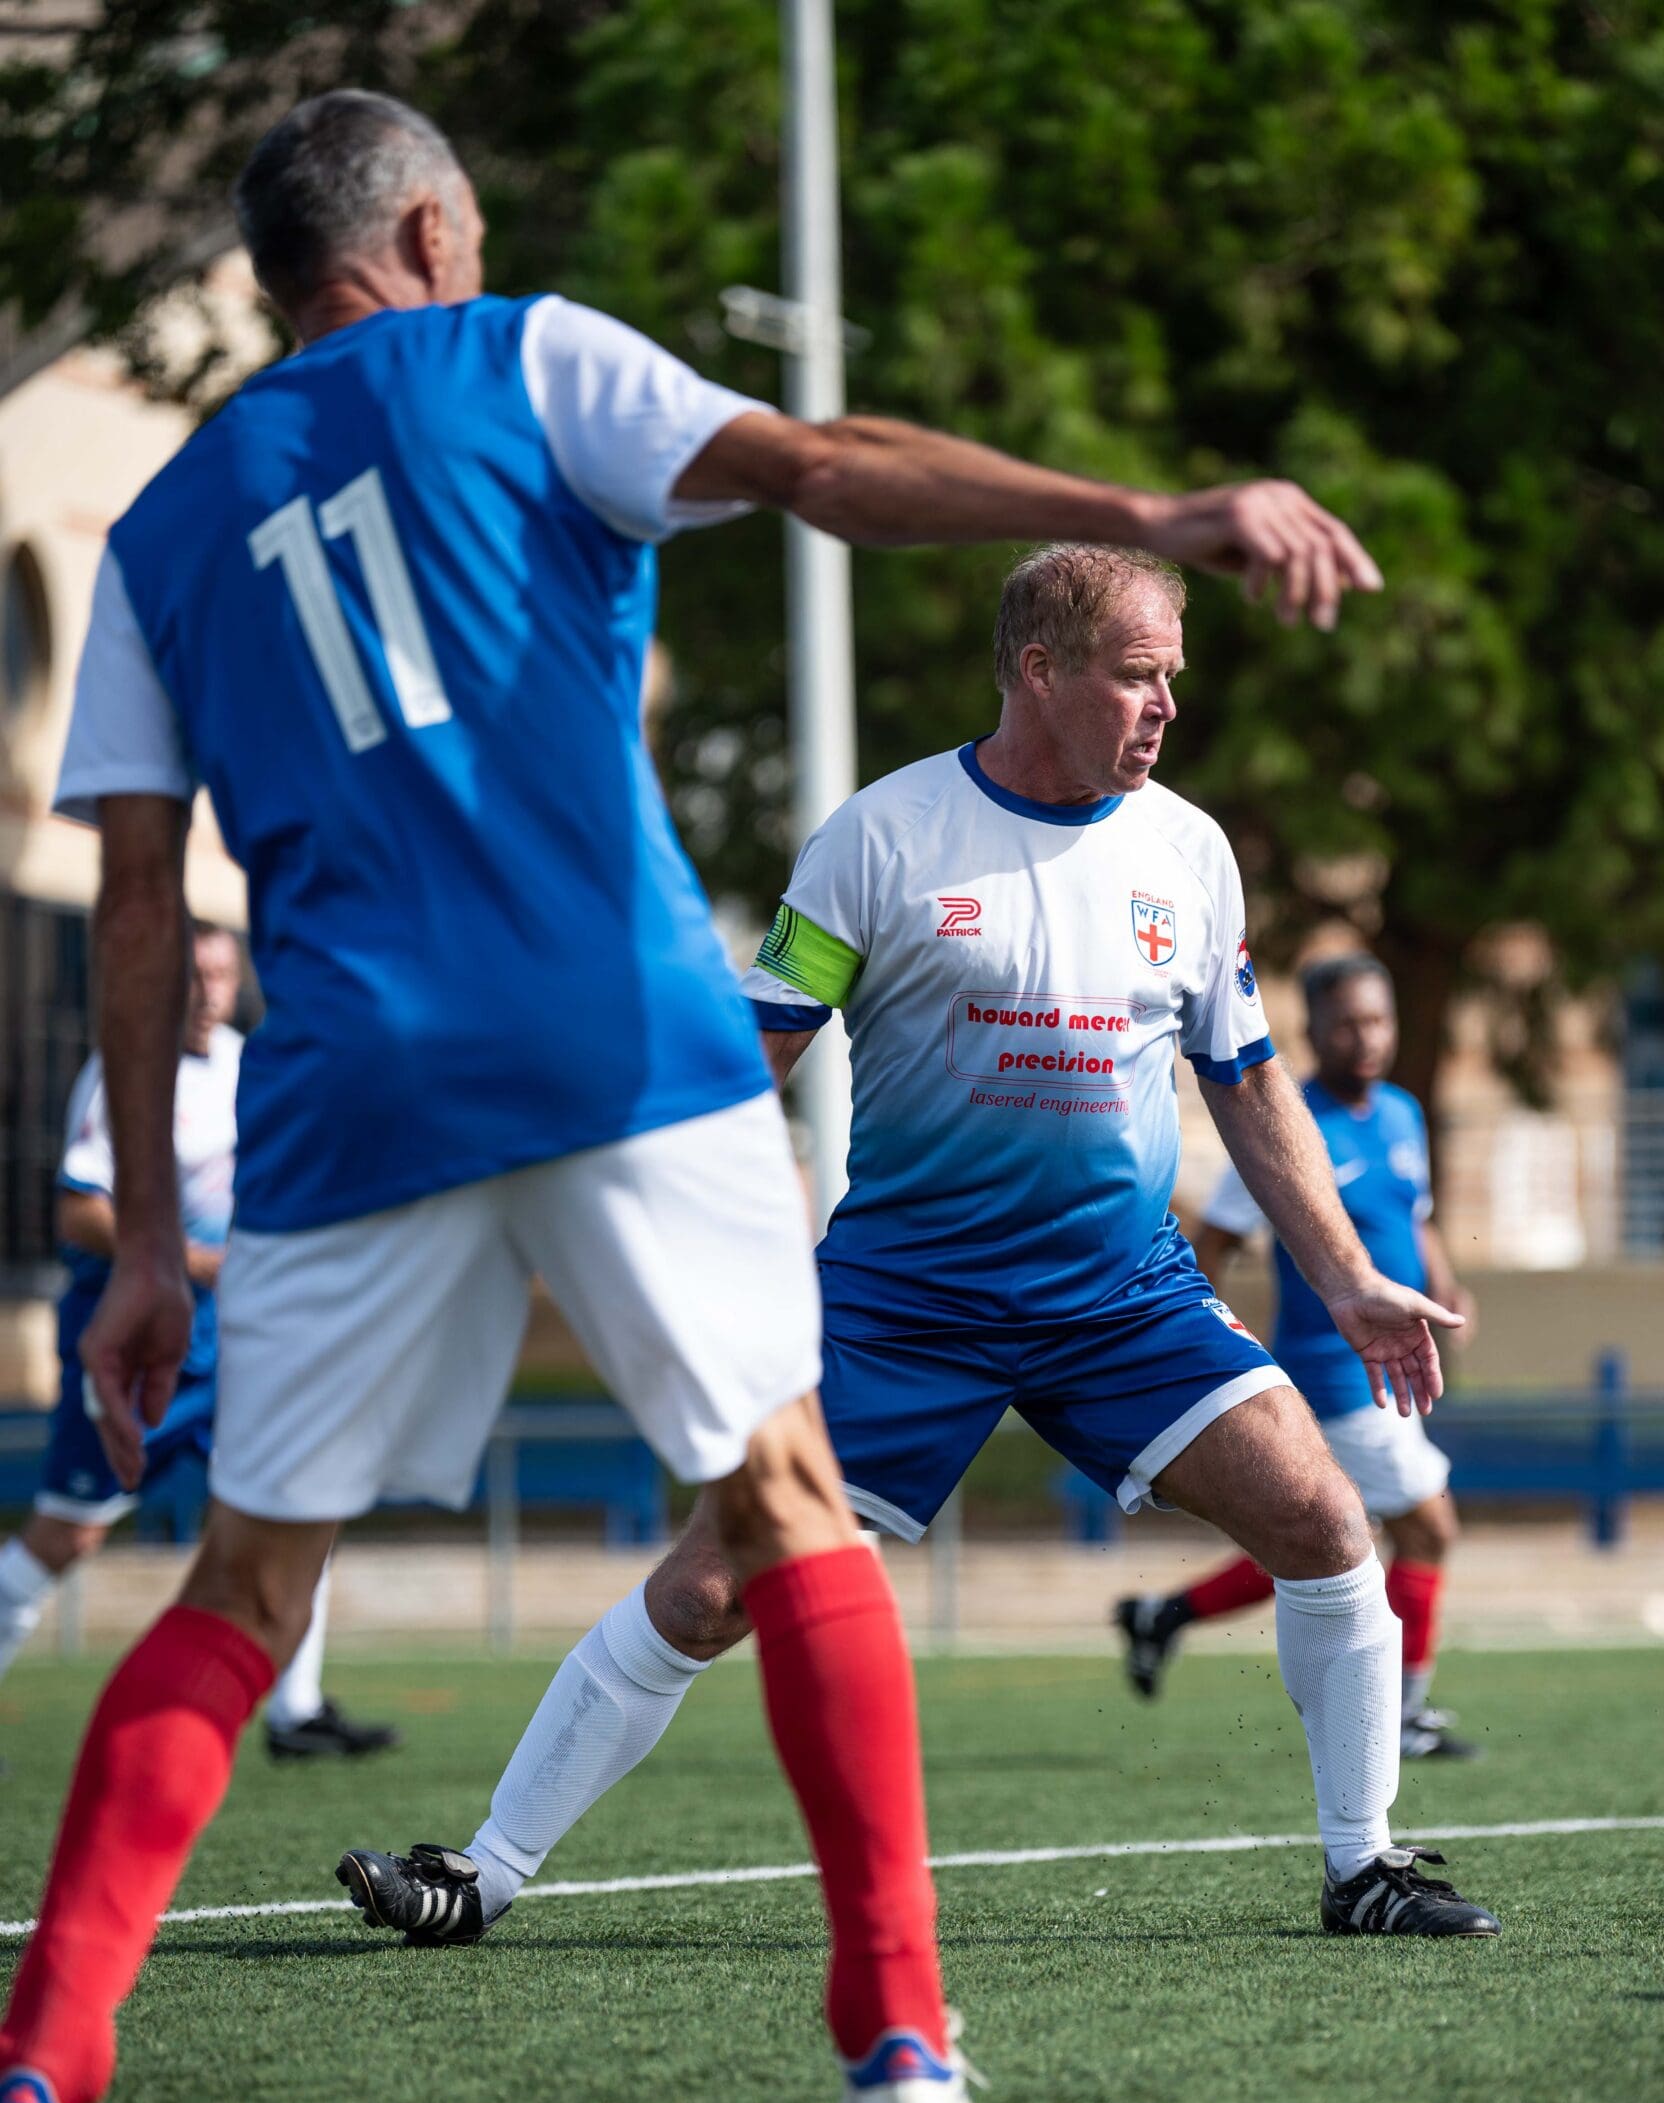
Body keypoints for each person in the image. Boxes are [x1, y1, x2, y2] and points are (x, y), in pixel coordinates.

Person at [0, 81, 1386, 2103]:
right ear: (434, 232)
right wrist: (1151, 507)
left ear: (274, 277)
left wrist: (134, 1262)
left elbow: (128, 899)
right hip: (620, 1035)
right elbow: (826, 468)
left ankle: (38, 2074)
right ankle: (895, 2030)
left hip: (350, 1072)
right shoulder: (523, 357)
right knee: (787, 1511)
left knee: (247, 1579)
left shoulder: (168, 523)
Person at [339, 544, 1499, 1975]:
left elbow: (1249, 1083)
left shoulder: (1188, 850)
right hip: (903, 1303)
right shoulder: (881, 837)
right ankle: (482, 1872)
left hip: (1123, 1297)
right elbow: (749, 1061)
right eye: (1137, 677)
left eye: (1172, 680)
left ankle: (1363, 1865)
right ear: (1039, 670)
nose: (1164, 708)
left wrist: (1346, 1277)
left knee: (1325, 1520)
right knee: (710, 1589)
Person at [0, 925, 396, 1762]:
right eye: (191, 973)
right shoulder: (124, 1069)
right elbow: (77, 1210)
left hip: (238, 1344)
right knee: (69, 1534)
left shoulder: (250, 1064)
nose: (207, 989)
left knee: (301, 1499)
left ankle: (295, 1711)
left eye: (219, 973)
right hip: (139, 1342)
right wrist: (197, 1260)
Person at [1115, 954, 1477, 1759]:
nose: (1366, 1038)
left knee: (1330, 1537)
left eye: (1377, 1020)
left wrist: (1448, 1285)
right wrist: (1210, 1340)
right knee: (1428, 1529)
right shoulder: (1284, 1128)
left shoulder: (1403, 1113)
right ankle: (1402, 1716)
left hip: (1397, 1364)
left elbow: (1414, 1217)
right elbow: (1214, 1244)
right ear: (1310, 1029)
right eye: (1346, 1023)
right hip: (1339, 1374)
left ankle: (1162, 1616)